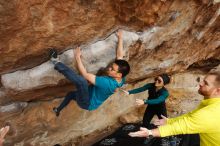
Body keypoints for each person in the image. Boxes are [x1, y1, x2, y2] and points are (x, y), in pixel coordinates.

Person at [50, 30, 130, 116]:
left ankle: (56, 62)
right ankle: (58, 110)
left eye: (112, 69)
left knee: (82, 82)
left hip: (87, 102)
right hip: (90, 96)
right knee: (70, 94)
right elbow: (120, 56)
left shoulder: (107, 83)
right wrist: (120, 37)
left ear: (119, 75)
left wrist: (77, 58)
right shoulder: (121, 78)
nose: (109, 68)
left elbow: (85, 74)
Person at [129, 72, 220, 146]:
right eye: (203, 80)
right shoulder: (210, 103)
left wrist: (151, 132)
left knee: (164, 127)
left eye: (206, 83)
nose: (200, 83)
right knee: (148, 121)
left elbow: (180, 126)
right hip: (151, 107)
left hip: (159, 108)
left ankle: (167, 139)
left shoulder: (210, 113)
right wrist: (169, 121)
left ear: (218, 91)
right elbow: (190, 116)